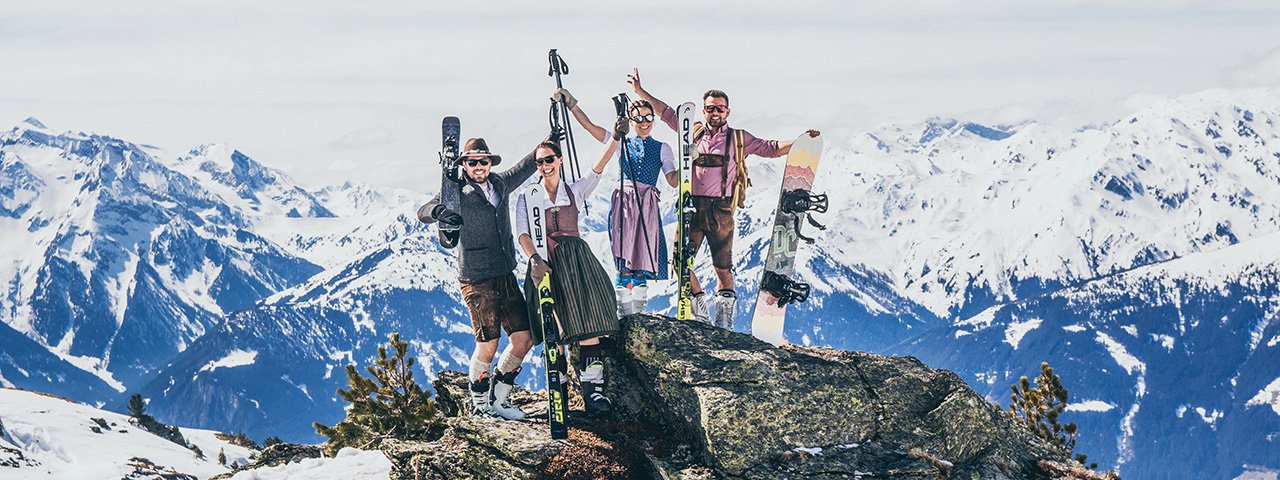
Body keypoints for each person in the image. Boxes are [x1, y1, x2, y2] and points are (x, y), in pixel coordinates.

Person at [628, 68, 820, 328]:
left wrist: (799, 142)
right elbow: (665, 113)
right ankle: (700, 307)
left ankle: (725, 317)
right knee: (679, 262)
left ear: (727, 111)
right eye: (709, 108)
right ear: (704, 110)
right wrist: (640, 92)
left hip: (721, 209)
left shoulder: (739, 139)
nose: (714, 112)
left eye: (719, 108)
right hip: (691, 206)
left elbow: (770, 148)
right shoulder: (691, 131)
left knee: (723, 266)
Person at [418, 136, 548, 420]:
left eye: (483, 161)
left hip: (504, 273)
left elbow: (524, 168)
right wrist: (440, 212)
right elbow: (423, 212)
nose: (479, 166)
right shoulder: (456, 191)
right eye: (472, 162)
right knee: (488, 343)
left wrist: (543, 145)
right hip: (476, 279)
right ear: (463, 165)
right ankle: (479, 407)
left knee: (523, 339)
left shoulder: (500, 183)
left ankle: (499, 400)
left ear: (490, 163)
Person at [515, 136, 620, 417]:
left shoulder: (574, 191)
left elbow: (598, 167)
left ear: (560, 159)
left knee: (589, 324)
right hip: (544, 266)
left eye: (550, 159)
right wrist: (534, 259)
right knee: (554, 331)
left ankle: (593, 392)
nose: (545, 165)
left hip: (576, 263)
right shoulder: (528, 197)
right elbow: (523, 233)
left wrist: (616, 136)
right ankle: (557, 390)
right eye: (540, 162)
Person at [553, 88, 678, 315]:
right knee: (623, 253)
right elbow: (590, 127)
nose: (643, 122)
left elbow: (672, 180)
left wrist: (690, 162)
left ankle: (638, 309)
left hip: (646, 205)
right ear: (631, 120)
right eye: (638, 118)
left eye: (648, 117)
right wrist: (572, 104)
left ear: (653, 120)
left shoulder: (663, 148)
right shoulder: (620, 141)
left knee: (642, 254)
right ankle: (625, 308)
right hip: (626, 204)